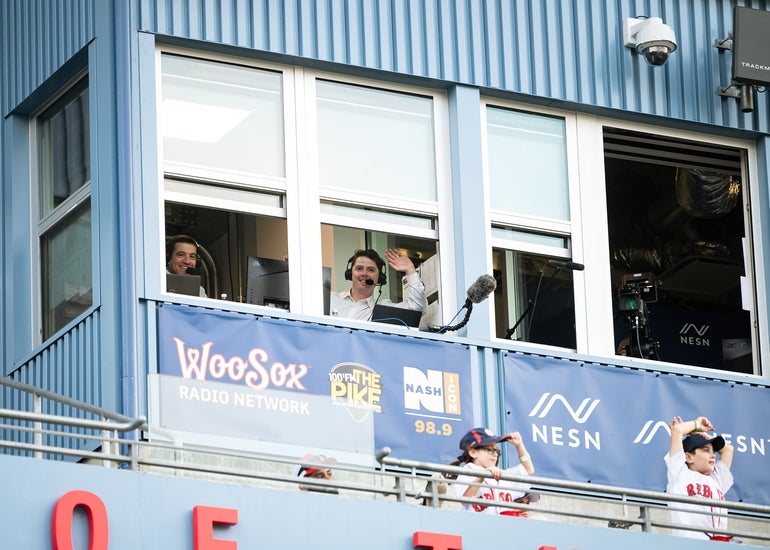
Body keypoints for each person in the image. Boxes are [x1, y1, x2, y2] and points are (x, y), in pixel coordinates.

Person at [665, 415, 735, 541]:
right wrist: (696, 425)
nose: (713, 456)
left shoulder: (716, 479)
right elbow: (677, 430)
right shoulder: (680, 473)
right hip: (690, 544)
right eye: (705, 450)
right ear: (689, 457)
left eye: (713, 451)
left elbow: (728, 450)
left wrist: (702, 435)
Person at [449, 427, 535, 515]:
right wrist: (483, 475)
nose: (495, 454)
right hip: (477, 526)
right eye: (489, 449)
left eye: (497, 450)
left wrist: (519, 445)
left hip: (503, 526)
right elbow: (465, 498)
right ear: (473, 452)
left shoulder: (502, 474)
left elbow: (528, 469)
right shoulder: (468, 470)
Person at [330, 248, 428, 321]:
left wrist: (410, 270)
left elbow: (418, 308)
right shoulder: (329, 299)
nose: (364, 273)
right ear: (350, 273)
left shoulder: (385, 311)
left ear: (379, 278)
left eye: (371, 270)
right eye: (359, 268)